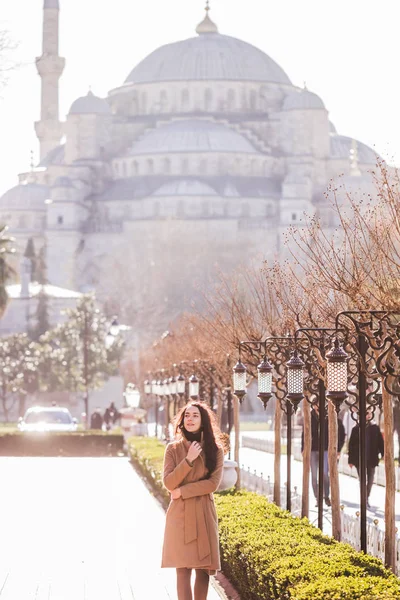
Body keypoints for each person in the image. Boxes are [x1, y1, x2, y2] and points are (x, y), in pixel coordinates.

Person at [161, 402, 224, 600]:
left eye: (195, 415)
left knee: (203, 570)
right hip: (179, 515)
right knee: (183, 569)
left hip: (204, 513)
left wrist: (183, 491)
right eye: (187, 415)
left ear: (203, 421)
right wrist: (188, 459)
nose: (190, 419)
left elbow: (212, 484)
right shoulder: (172, 449)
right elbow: (169, 483)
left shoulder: (216, 450)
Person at [301, 404, 345, 507]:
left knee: (325, 473)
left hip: (325, 449)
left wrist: (337, 449)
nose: (317, 406)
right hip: (312, 450)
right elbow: (304, 432)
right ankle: (317, 497)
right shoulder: (309, 416)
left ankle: (326, 495)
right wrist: (303, 448)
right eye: (315, 404)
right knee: (314, 475)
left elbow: (336, 432)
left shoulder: (328, 416)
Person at [348, 410, 384, 508]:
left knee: (371, 479)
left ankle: (366, 497)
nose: (368, 415)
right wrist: (350, 460)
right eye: (366, 413)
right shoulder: (356, 429)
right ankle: (364, 500)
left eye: (369, 413)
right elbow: (351, 445)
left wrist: (384, 454)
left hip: (371, 459)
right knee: (362, 480)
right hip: (359, 460)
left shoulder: (375, 428)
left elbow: (380, 442)